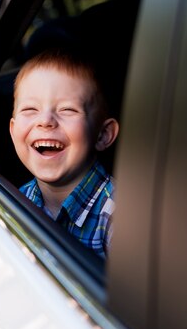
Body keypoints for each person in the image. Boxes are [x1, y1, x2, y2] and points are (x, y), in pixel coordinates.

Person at [9, 48, 119, 258]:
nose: (46, 121)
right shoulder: (20, 198)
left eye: (68, 109)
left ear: (102, 135)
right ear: (13, 131)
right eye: (30, 109)